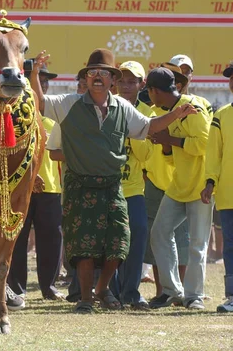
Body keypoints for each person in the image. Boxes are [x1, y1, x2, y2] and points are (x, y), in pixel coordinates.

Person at [31, 49, 197, 314]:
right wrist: (34, 73)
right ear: (85, 78)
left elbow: (149, 127)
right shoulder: (68, 102)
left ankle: (102, 288)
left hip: (112, 184)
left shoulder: (123, 107)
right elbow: (39, 102)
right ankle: (86, 298)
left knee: (120, 242)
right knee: (84, 247)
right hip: (80, 184)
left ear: (112, 80)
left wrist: (176, 115)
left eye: (104, 73)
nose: (97, 77)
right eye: (92, 72)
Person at [148, 67, 212, 310]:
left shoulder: (190, 107)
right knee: (159, 233)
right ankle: (173, 290)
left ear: (155, 91)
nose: (150, 96)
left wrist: (170, 140)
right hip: (179, 185)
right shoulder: (169, 112)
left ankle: (194, 296)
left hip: (201, 186)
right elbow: (173, 158)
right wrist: (166, 146)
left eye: (149, 91)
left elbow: (204, 144)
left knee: (197, 244)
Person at [8, 64, 64, 303]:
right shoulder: (14, 109)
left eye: (46, 79)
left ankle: (49, 286)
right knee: (17, 239)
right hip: (20, 185)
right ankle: (16, 287)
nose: (43, 83)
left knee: (51, 238)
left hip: (51, 186)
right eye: (37, 78)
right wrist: (28, 176)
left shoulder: (56, 111)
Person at [112, 61, 154, 309]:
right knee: (111, 243)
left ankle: (131, 292)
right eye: (123, 80)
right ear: (115, 82)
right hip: (108, 186)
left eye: (132, 81)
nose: (126, 85)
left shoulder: (148, 112)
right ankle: (112, 293)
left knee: (138, 234)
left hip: (134, 188)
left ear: (142, 84)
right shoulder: (106, 106)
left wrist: (131, 125)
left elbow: (146, 154)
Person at [200, 62, 233, 312]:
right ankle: (232, 297)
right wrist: (210, 182)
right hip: (229, 194)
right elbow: (214, 154)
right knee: (230, 247)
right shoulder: (221, 115)